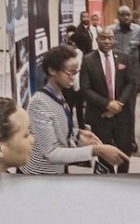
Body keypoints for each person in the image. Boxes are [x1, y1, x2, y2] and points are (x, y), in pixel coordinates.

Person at [23, 39, 122, 170]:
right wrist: (96, 150)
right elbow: (51, 153)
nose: (74, 77)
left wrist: (77, 133)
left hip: (58, 170)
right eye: (70, 73)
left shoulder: (58, 94)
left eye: (76, 72)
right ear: (52, 71)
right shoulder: (39, 103)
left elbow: (56, 129)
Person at [71, 19, 131, 170]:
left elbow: (131, 83)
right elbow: (85, 89)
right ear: (97, 40)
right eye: (103, 38)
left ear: (114, 40)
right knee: (103, 156)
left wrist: (117, 105)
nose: (106, 41)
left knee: (124, 154)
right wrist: (107, 104)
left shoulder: (124, 58)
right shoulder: (88, 60)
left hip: (122, 115)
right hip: (99, 116)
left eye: (110, 38)